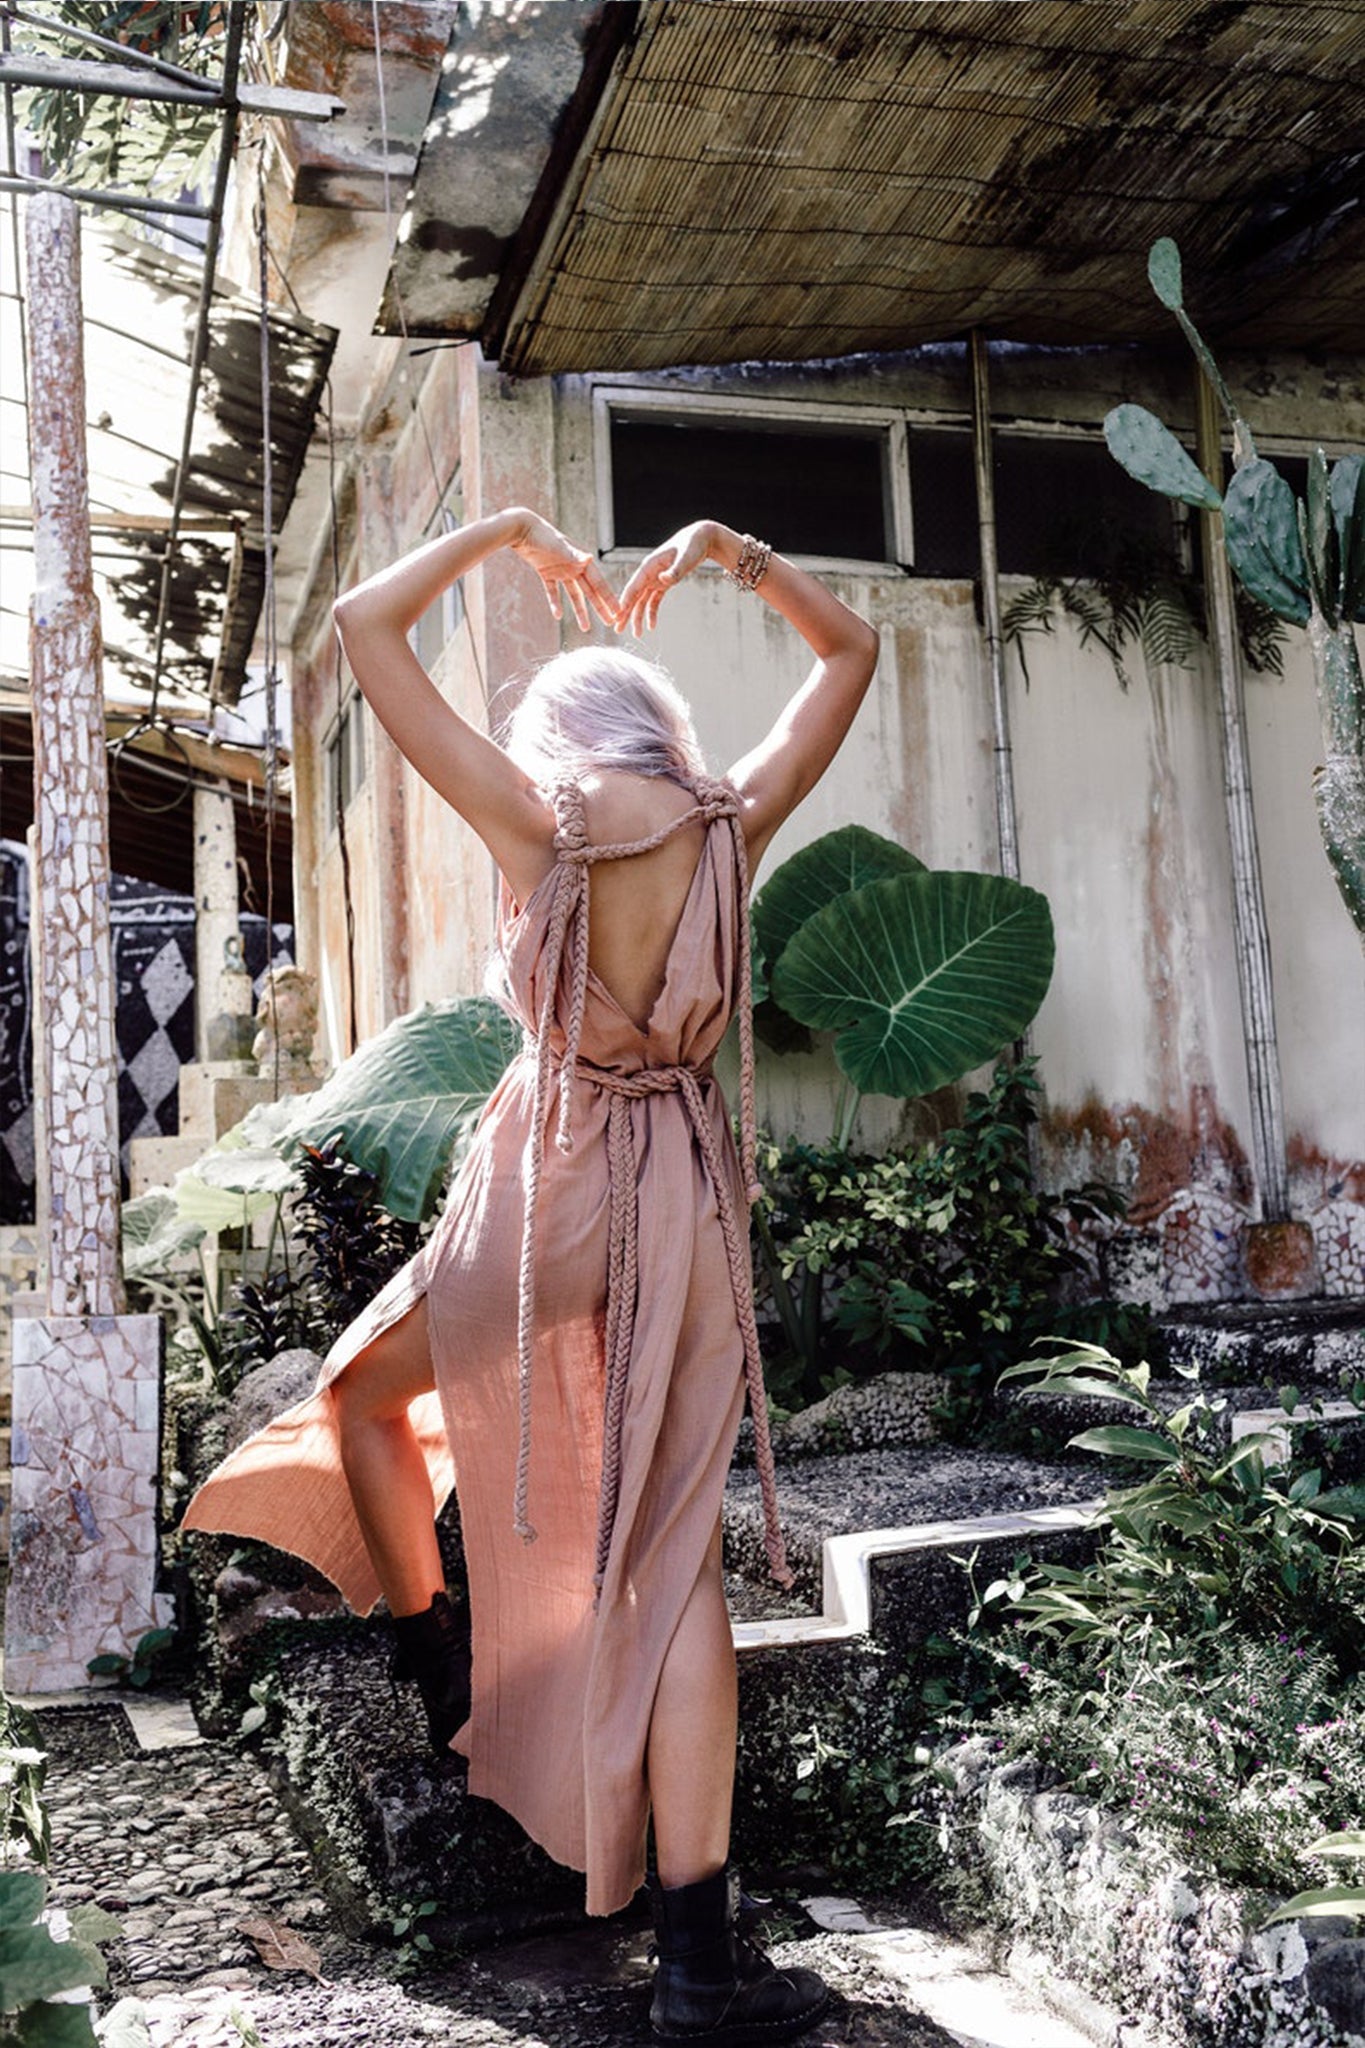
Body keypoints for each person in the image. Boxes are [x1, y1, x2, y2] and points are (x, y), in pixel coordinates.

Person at [183, 506, 878, 2044]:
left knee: (364, 1400)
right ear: (661, 728)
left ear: (563, 741)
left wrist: (502, 531)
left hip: (552, 1169)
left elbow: (364, 625)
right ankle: (699, 1969)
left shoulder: (539, 818)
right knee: (678, 1564)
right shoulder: (727, 813)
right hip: (685, 1188)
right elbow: (855, 648)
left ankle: (447, 1678)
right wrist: (722, 554)